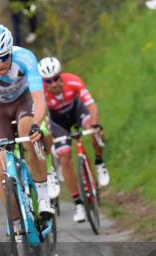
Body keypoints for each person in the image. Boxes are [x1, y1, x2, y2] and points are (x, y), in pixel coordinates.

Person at [0, 24, 54, 241]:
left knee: (29, 135)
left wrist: (37, 124)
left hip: (22, 102)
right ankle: (16, 224)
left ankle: (43, 197)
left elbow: (39, 98)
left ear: (11, 51)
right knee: (2, 166)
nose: (0, 63)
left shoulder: (25, 58)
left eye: (4, 57)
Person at [38, 56, 110, 223]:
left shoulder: (74, 81)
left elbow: (91, 105)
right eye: (48, 81)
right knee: (65, 155)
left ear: (61, 75)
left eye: (56, 78)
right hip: (57, 122)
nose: (53, 84)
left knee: (95, 131)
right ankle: (78, 203)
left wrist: (95, 124)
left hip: (77, 112)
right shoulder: (40, 91)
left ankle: (99, 162)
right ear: (44, 82)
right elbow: (42, 118)